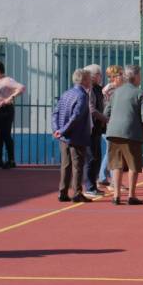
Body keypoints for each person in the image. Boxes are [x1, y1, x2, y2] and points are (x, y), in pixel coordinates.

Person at [104, 65, 143, 205]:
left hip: (113, 132)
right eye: (140, 75)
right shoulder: (139, 92)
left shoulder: (115, 92)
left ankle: (116, 196)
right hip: (131, 133)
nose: (140, 78)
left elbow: (106, 112)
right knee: (133, 165)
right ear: (135, 76)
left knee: (116, 164)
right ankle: (131, 195)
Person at [52, 68, 92, 201]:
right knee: (77, 165)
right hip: (76, 135)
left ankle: (62, 192)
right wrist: (62, 130)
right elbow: (76, 117)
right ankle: (77, 193)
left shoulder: (66, 93)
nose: (91, 80)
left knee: (66, 165)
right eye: (89, 78)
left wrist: (57, 129)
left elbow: (55, 113)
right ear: (84, 80)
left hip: (64, 136)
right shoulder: (82, 95)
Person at [0, 60, 24, 169]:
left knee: (6, 134)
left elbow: (21, 87)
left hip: (4, 110)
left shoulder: (7, 80)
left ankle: (11, 160)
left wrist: (10, 98)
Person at [82, 64, 107, 199]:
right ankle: (89, 187)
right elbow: (91, 109)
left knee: (96, 157)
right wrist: (105, 118)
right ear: (93, 76)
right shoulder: (90, 90)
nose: (101, 77)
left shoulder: (98, 89)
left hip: (97, 129)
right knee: (91, 158)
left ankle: (94, 186)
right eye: (99, 74)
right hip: (90, 129)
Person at [97, 64, 123, 189]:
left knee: (110, 151)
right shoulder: (112, 89)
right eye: (120, 74)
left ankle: (102, 177)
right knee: (113, 151)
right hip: (112, 122)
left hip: (109, 122)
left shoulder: (109, 88)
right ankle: (113, 181)